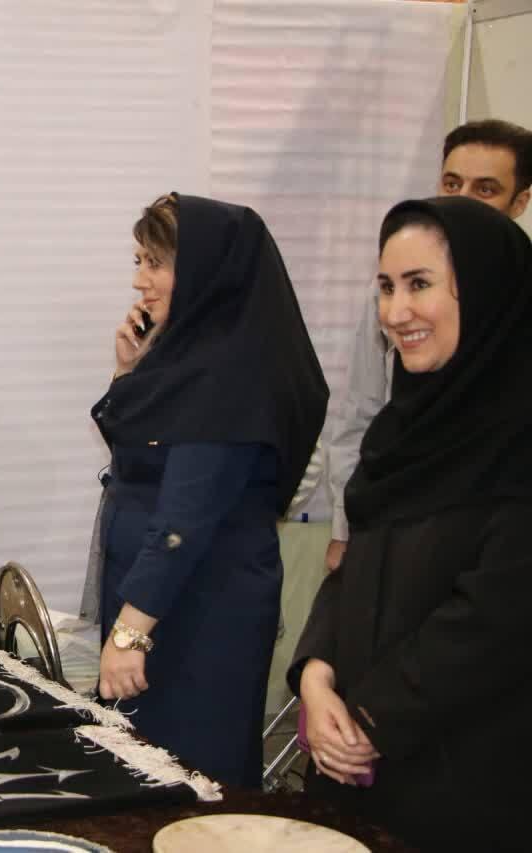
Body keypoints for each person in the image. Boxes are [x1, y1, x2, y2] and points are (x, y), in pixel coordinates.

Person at [291, 196, 532, 852]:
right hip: (354, 767)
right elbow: (353, 569)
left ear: (485, 293)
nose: (396, 312)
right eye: (386, 287)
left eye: (419, 284)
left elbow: (494, 620)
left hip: (467, 787)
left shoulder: (518, 442)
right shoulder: (401, 432)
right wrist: (315, 673)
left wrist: (370, 717)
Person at [83, 194, 327, 788]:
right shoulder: (186, 356)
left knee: (191, 779)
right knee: (140, 773)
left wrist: (130, 633)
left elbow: (182, 521)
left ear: (205, 272)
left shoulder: (232, 373)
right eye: (139, 261)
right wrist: (129, 370)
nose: (140, 281)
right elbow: (137, 459)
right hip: (158, 598)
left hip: (197, 609)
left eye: (155, 263)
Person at [325, 118, 532, 572]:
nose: (462, 200)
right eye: (452, 183)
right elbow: (361, 412)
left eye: (485, 189)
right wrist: (345, 527)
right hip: (397, 522)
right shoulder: (393, 299)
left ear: (520, 202)